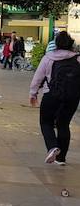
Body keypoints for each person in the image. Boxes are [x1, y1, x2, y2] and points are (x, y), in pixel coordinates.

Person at [30, 31, 80, 165]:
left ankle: (52, 147)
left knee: (46, 122)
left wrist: (33, 93)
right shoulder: (77, 58)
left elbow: (37, 78)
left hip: (51, 95)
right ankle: (61, 158)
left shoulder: (49, 57)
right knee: (63, 124)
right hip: (72, 97)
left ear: (56, 44)